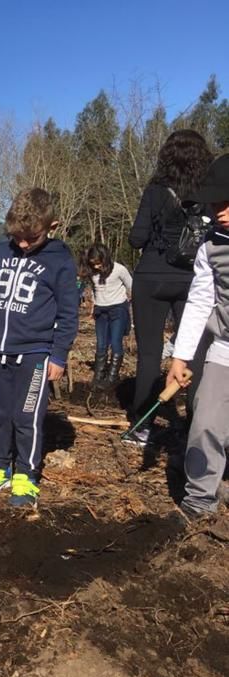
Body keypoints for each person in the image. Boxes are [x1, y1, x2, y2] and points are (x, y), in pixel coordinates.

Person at [0, 188, 79, 508]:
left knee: (26, 416)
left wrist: (59, 354)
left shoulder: (60, 260)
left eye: (31, 238)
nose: (23, 245)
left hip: (35, 355)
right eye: (18, 238)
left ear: (51, 226)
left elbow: (69, 312)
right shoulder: (2, 250)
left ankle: (26, 474)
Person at [126, 129, 213, 446]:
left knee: (148, 354)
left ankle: (141, 425)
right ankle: (194, 425)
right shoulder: (207, 193)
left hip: (151, 276)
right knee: (195, 356)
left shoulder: (155, 191)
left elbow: (137, 237)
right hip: (193, 280)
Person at [165, 154, 229, 521]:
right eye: (214, 203)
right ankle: (199, 501)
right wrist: (180, 356)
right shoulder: (211, 244)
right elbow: (200, 299)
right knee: (205, 422)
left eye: (226, 202)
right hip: (224, 347)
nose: (218, 211)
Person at [80, 244, 132, 388]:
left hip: (117, 309)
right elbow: (95, 291)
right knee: (101, 344)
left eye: (99, 263)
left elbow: (131, 286)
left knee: (115, 343)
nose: (96, 266)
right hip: (100, 311)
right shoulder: (92, 272)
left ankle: (112, 376)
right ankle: (99, 374)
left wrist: (128, 303)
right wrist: (93, 307)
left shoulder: (119, 269)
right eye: (93, 264)